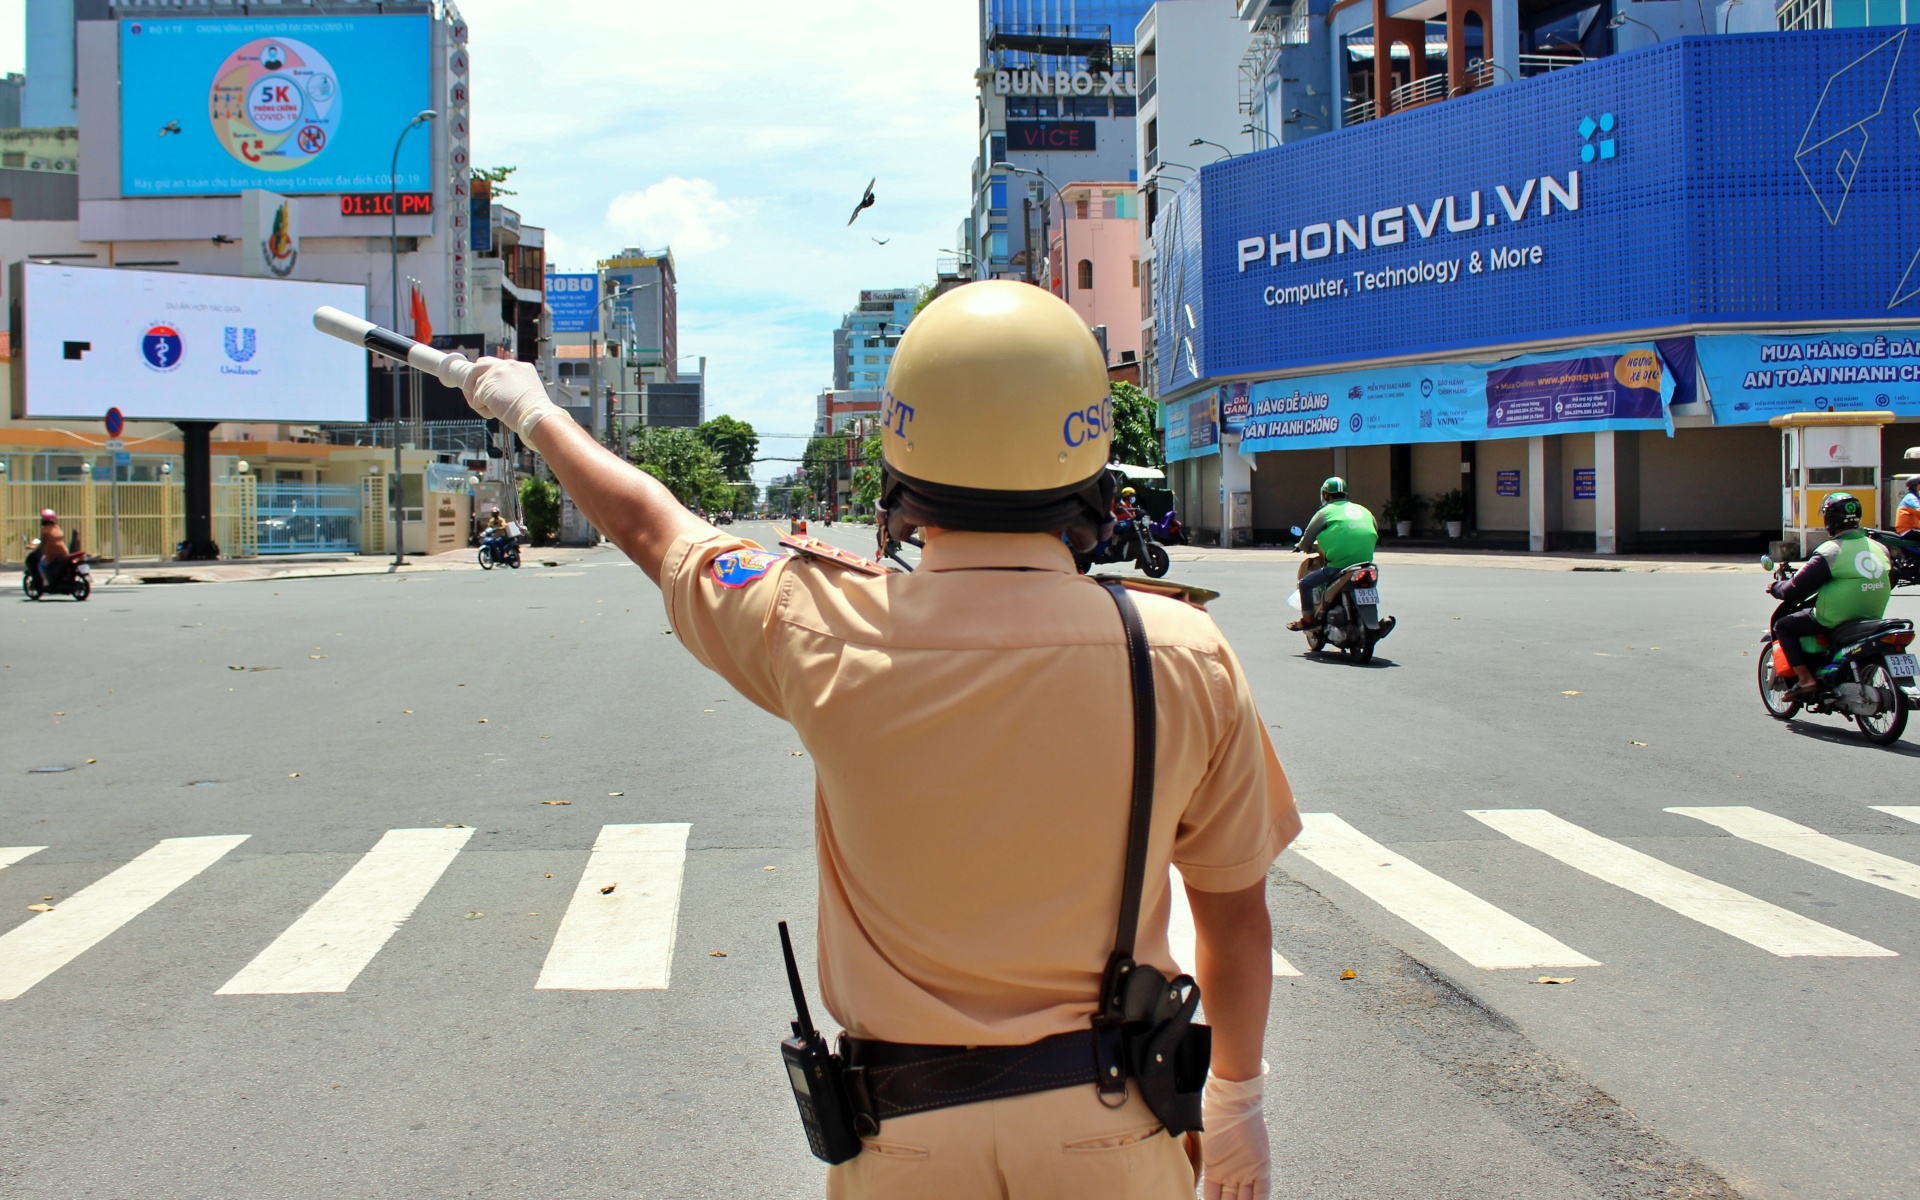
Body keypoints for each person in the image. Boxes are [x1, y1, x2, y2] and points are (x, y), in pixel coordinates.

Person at [454, 280, 1300, 1200]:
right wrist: (1238, 1101)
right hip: (1113, 1133)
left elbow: (651, 523)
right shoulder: (1181, 651)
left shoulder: (814, 621)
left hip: (904, 1139)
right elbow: (1232, 913)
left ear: (899, 459)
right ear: (1089, 457)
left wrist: (529, 407)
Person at [1769, 491, 1893, 697]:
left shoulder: (1831, 552)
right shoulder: (1880, 548)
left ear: (1829, 520)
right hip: (1872, 615)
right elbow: (1891, 578)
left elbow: (1794, 589)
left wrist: (1776, 587)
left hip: (1834, 618)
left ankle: (1806, 679)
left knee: (1783, 626)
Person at [1287, 477, 1378, 632]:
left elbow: (1308, 535)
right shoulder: (1363, 510)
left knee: (1305, 584)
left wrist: (1301, 546)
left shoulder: (1325, 512)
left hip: (1339, 566)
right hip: (1366, 564)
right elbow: (1374, 529)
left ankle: (1308, 620)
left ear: (1325, 494)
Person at [33, 509, 69, 587]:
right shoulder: (57, 528)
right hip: (64, 553)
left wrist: (36, 548)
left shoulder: (45, 530)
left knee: (41, 565)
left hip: (52, 555)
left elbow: (42, 543)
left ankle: (45, 581)